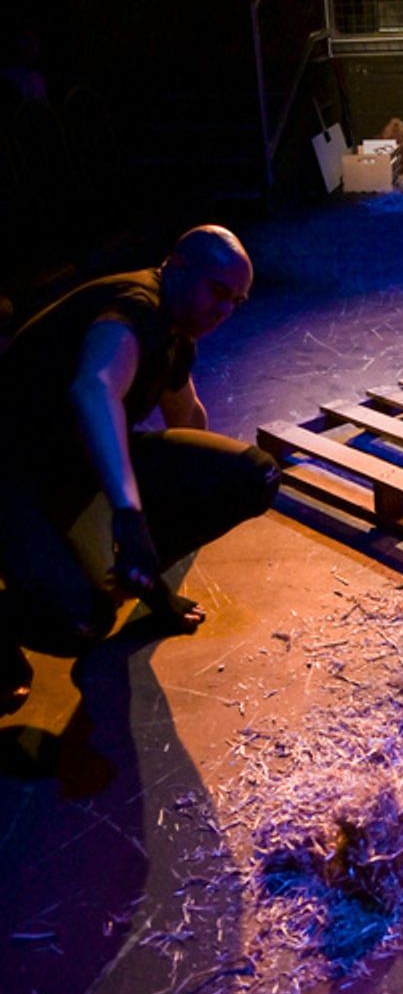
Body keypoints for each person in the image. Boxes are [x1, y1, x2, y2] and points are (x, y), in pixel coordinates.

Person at [0, 225, 280, 711]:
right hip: (12, 479)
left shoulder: (176, 333)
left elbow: (188, 418)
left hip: (72, 464)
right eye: (218, 291)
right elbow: (94, 388)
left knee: (250, 475)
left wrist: (158, 571)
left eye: (236, 301)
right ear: (176, 266)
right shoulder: (135, 306)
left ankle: (140, 577)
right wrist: (130, 519)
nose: (224, 311)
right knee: (81, 623)